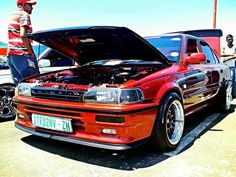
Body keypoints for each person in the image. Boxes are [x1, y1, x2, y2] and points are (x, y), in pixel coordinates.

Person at [7, 0, 39, 85]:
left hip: (12, 55)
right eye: (30, 5)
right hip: (23, 55)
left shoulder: (13, 16)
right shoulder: (24, 14)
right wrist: (31, 52)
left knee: (19, 85)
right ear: (24, 5)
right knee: (32, 84)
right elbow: (23, 35)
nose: (32, 7)